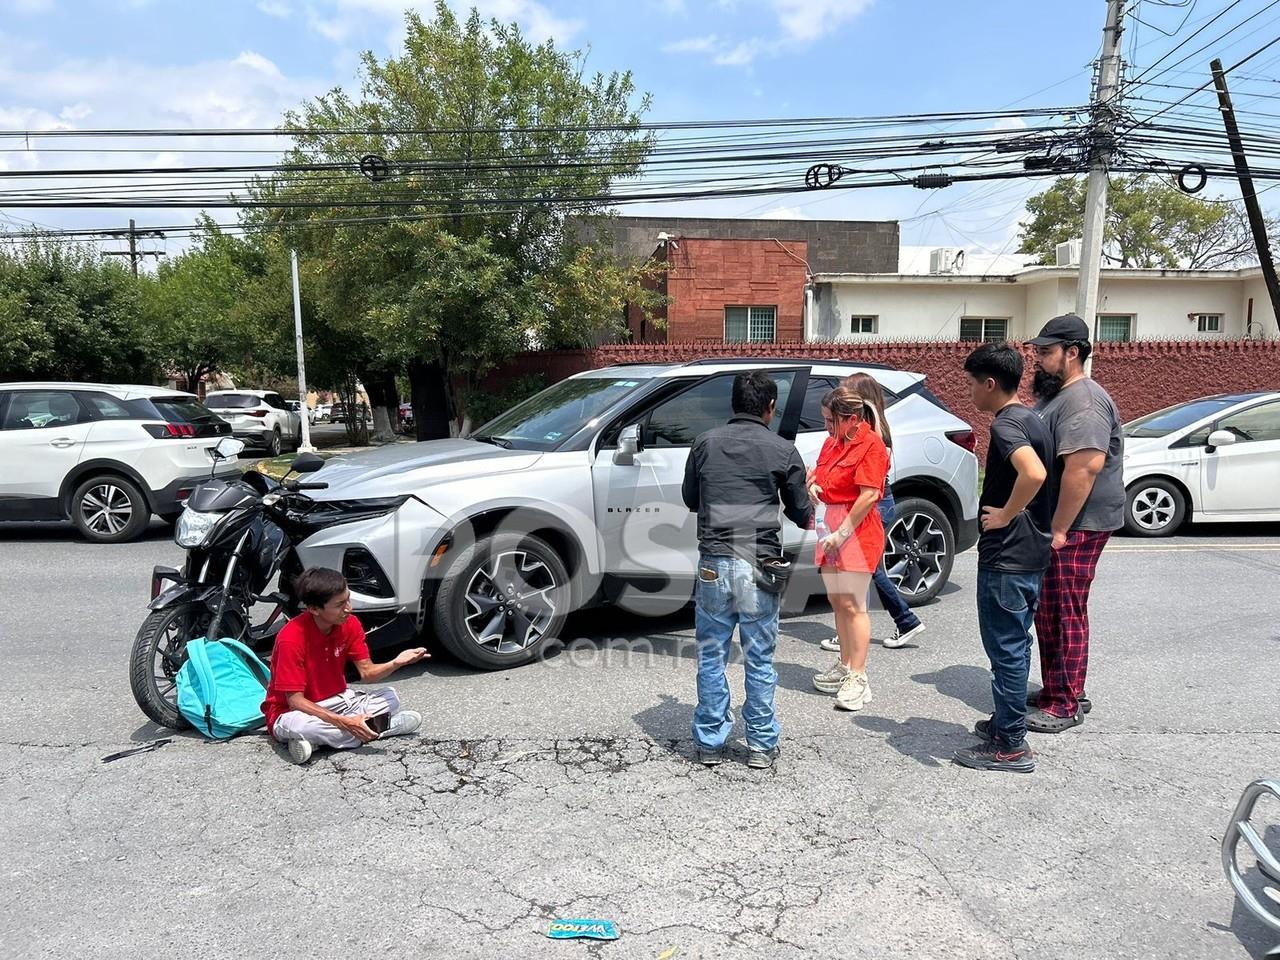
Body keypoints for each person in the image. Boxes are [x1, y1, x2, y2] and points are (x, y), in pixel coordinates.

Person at [681, 371, 814, 769]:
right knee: (759, 658)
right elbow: (802, 514)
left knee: (711, 655)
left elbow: (690, 498)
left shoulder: (704, 443)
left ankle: (709, 742)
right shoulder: (782, 449)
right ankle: (760, 744)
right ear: (770, 407)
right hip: (759, 565)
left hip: (714, 564)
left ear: (734, 404)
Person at [953, 343, 1054, 774]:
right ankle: (1004, 724)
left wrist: (1006, 514)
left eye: (972, 384)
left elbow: (1034, 473)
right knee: (1016, 642)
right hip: (1030, 552)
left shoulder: (1008, 424)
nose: (970, 392)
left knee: (1007, 649)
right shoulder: (1034, 417)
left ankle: (1011, 744)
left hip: (1008, 556)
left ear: (990, 383)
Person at [1026, 313, 1125, 733]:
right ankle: (1060, 688)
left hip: (1078, 523)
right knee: (1049, 609)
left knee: (1064, 610)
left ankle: (1064, 703)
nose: (1039, 360)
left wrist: (1060, 529)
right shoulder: (1059, 395)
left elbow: (1084, 468)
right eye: (1038, 351)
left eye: (1047, 352)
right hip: (1063, 521)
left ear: (1073, 352)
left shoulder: (1083, 400)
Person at [263, 567, 429, 764]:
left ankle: (318, 743)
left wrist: (396, 663)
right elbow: (295, 701)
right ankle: (382, 728)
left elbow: (367, 673)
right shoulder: (291, 638)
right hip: (293, 712)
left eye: (348, 599)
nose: (349, 608)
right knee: (306, 726)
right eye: (340, 604)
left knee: (390, 697)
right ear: (314, 609)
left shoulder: (349, 623)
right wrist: (345, 722)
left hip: (339, 701)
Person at [809, 387, 890, 711]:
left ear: (851, 419)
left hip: (855, 532)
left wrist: (842, 533)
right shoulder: (833, 442)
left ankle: (859, 676)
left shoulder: (872, 445)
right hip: (830, 527)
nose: (827, 427)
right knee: (838, 601)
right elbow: (818, 472)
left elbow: (869, 494)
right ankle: (845, 665)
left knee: (854, 605)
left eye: (831, 421)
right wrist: (811, 484)